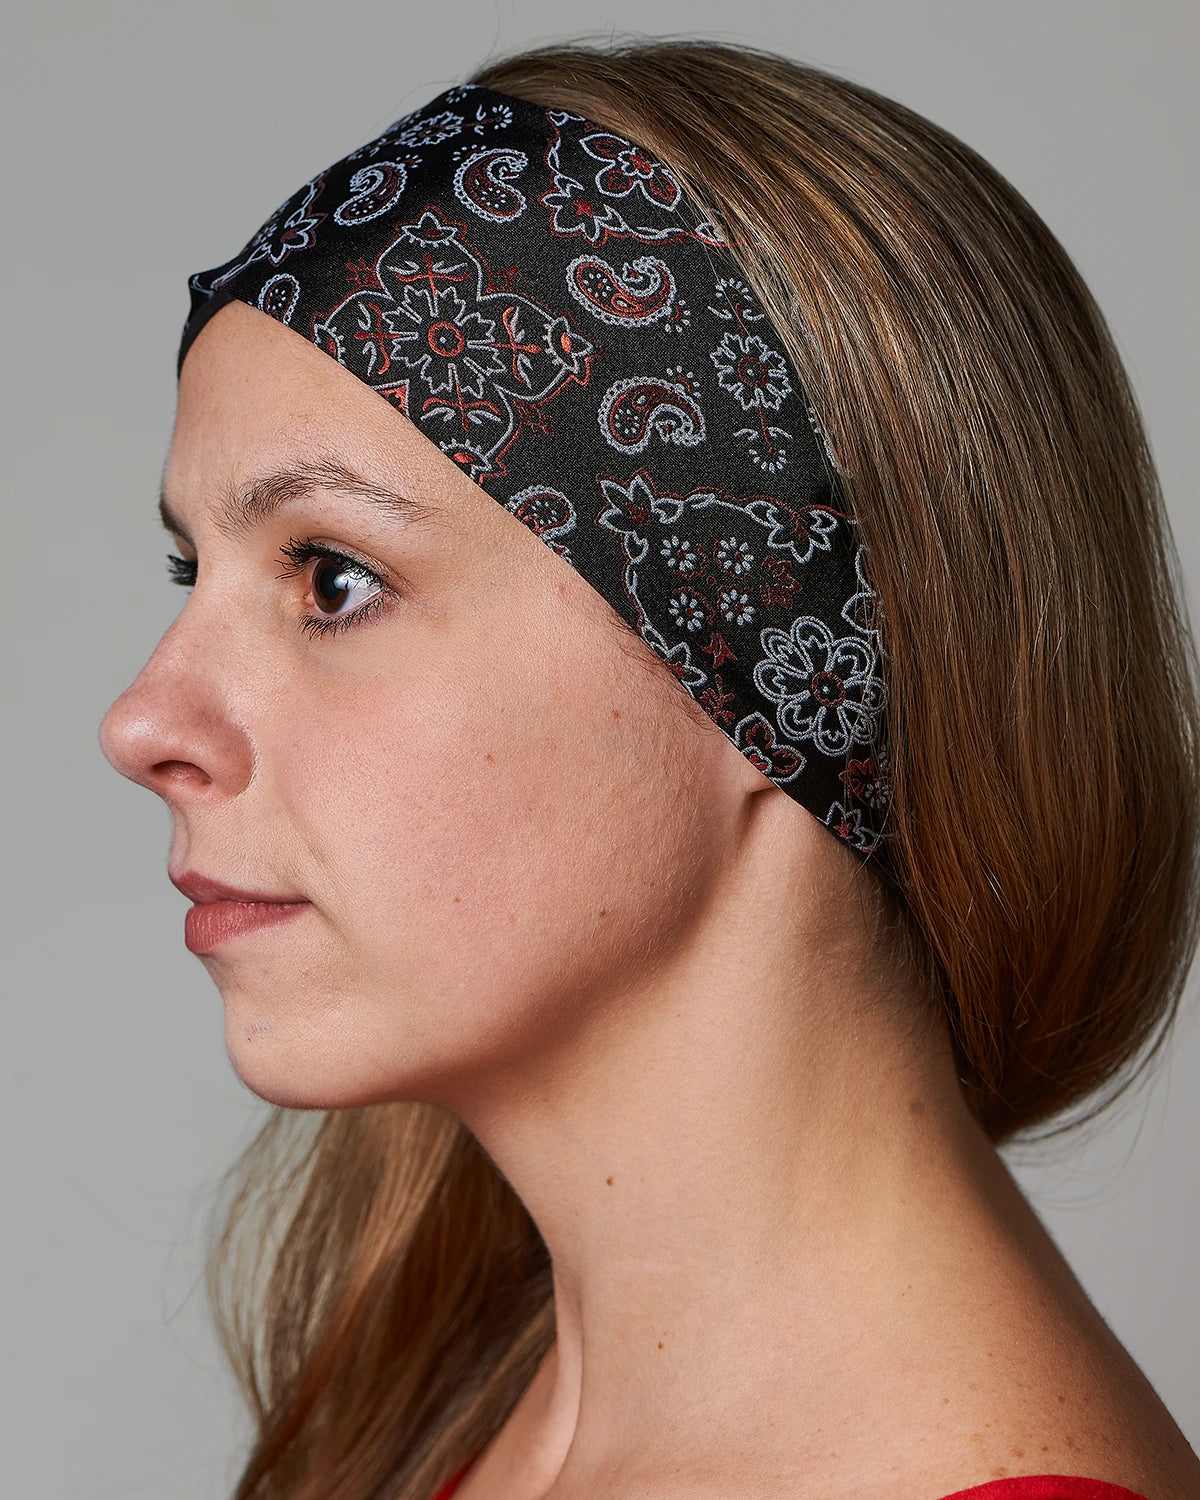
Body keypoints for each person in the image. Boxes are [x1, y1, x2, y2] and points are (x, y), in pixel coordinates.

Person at [98, 35, 1200, 1500]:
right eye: (192, 566)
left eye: (333, 579)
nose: (141, 722)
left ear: (759, 656)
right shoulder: (443, 1399)